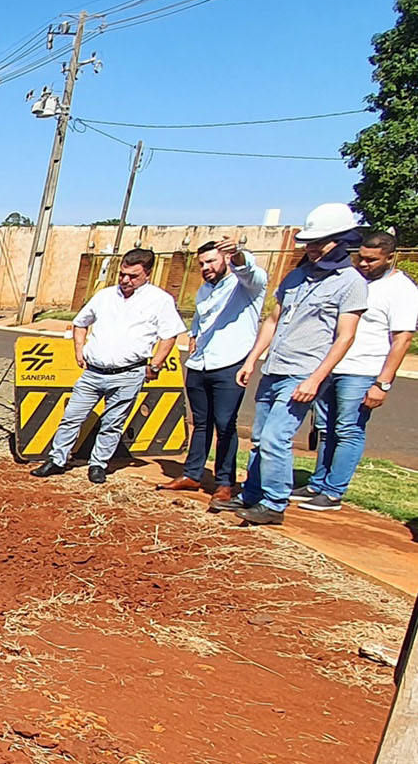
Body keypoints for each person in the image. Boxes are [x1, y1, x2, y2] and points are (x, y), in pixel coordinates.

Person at [216, 203, 367, 525]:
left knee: (276, 437)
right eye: (309, 242)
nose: (311, 248)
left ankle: (274, 502)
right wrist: (252, 359)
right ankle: (253, 494)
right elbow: (273, 320)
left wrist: (315, 379)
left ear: (341, 240)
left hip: (303, 372)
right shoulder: (296, 276)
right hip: (275, 368)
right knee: (259, 438)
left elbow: (346, 336)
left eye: (319, 242)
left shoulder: (351, 282)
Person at [30, 247, 182, 484]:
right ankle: (57, 459)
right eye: (122, 274)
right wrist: (79, 349)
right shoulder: (105, 296)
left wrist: (155, 365)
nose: (125, 280)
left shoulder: (160, 300)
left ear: (148, 274)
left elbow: (169, 335)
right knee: (72, 417)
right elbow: (80, 322)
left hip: (128, 374)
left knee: (112, 423)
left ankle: (98, 465)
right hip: (93, 373)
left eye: (133, 276)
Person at [291, 231, 416, 511]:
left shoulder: (402, 290)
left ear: (390, 258)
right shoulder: (354, 280)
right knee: (325, 429)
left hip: (362, 370)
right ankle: (317, 484)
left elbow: (402, 340)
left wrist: (382, 383)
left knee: (348, 429)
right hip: (331, 367)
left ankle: (333, 492)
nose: (363, 264)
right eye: (361, 258)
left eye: (372, 260)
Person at [158, 238, 266, 501]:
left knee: (226, 424)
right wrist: (193, 336)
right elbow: (200, 317)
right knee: (200, 423)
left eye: (211, 261)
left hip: (230, 364)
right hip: (200, 364)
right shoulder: (205, 289)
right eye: (201, 263)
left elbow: (249, 271)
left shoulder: (246, 286)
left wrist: (237, 254)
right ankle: (192, 474)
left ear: (226, 259)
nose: (205, 267)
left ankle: (225, 482)